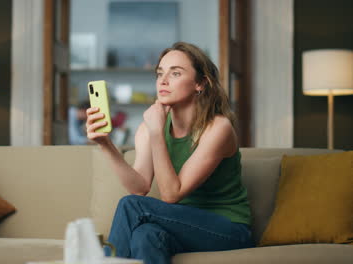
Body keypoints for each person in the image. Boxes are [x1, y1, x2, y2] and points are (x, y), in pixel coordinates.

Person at [85, 42, 254, 264]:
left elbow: (171, 195)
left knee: (131, 205)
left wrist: (157, 132)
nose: (163, 81)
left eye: (175, 73)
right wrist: (106, 144)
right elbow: (140, 187)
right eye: (160, 73)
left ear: (200, 83)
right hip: (181, 225)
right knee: (145, 235)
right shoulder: (149, 127)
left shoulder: (217, 128)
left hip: (228, 230)